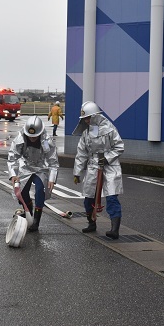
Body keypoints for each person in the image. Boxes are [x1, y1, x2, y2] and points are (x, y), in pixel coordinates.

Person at [73, 101, 124, 239]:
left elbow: (119, 147)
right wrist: (77, 172)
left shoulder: (110, 129)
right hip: (93, 165)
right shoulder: (86, 133)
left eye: (88, 118)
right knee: (89, 196)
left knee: (112, 197)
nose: (86, 121)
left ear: (95, 116)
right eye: (85, 119)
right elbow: (81, 153)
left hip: (110, 166)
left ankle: (114, 229)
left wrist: (107, 158)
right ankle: (91, 223)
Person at [7, 116, 59, 232]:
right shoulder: (21, 138)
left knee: (40, 190)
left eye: (35, 136)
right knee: (22, 191)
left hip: (41, 167)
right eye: (30, 136)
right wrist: (13, 174)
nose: (32, 138)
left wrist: (52, 178)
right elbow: (12, 157)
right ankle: (28, 211)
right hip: (26, 166)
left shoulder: (47, 140)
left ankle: (36, 220)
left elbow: (53, 161)